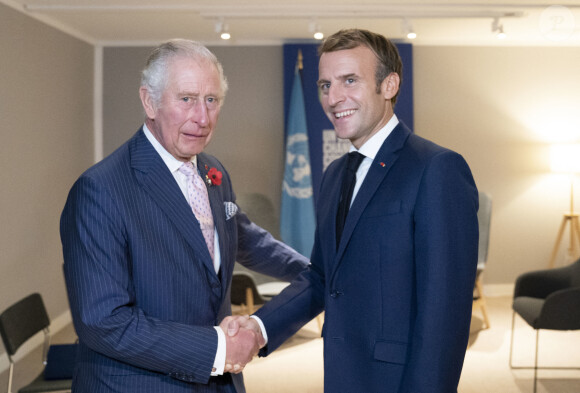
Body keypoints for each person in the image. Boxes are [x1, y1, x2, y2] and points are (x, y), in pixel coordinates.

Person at [225, 28, 479, 392]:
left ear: (389, 85)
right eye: (326, 85)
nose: (333, 98)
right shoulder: (334, 175)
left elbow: (444, 312)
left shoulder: (436, 169)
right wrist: (258, 326)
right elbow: (323, 277)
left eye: (349, 80)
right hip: (343, 375)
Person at [60, 39, 308, 393]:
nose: (202, 118)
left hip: (218, 382)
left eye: (212, 100)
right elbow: (103, 322)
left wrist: (315, 272)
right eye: (187, 99)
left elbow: (246, 238)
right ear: (149, 101)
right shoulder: (99, 190)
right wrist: (220, 347)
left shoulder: (212, 170)